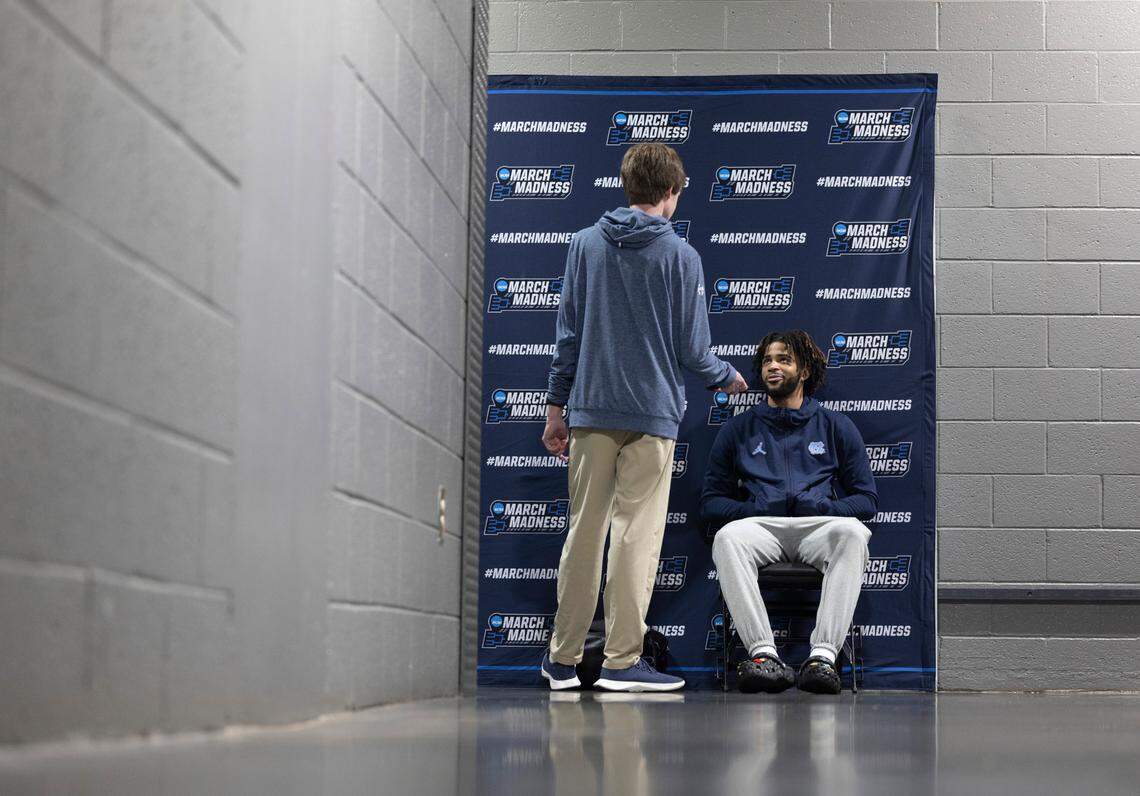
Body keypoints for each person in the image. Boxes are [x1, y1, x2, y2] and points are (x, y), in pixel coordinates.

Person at [539, 143, 748, 692]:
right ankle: (620, 662)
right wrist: (727, 375)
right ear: (672, 191)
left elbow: (568, 337)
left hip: (588, 412)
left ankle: (561, 661)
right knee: (636, 537)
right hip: (652, 416)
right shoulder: (682, 257)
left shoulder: (583, 245)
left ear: (627, 185)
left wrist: (556, 408)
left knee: (584, 533)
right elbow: (694, 351)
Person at [700, 330, 877, 695]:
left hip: (818, 527)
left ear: (805, 372)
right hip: (762, 527)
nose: (773, 367)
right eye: (767, 360)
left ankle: (823, 659)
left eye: (784, 360)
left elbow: (866, 500)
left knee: (854, 534)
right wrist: (751, 509)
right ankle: (764, 656)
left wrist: (827, 507)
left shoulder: (834, 425)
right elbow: (710, 503)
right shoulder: (738, 429)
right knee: (727, 537)